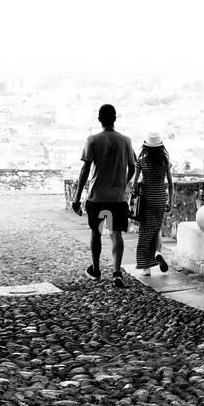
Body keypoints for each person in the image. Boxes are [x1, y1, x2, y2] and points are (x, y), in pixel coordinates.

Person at [71, 103, 136, 290]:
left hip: (97, 196)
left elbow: (85, 170)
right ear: (115, 118)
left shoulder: (93, 140)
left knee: (96, 233)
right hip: (118, 197)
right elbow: (132, 167)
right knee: (116, 234)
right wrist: (123, 184)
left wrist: (76, 198)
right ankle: (116, 272)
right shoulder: (126, 141)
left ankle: (96, 269)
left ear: (99, 119)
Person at [131, 132, 173, 275]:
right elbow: (171, 184)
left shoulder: (142, 161)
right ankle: (158, 253)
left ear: (146, 146)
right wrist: (170, 201)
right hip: (161, 199)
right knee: (156, 229)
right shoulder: (165, 162)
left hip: (147, 200)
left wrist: (141, 183)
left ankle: (145, 267)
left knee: (144, 232)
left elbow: (134, 184)